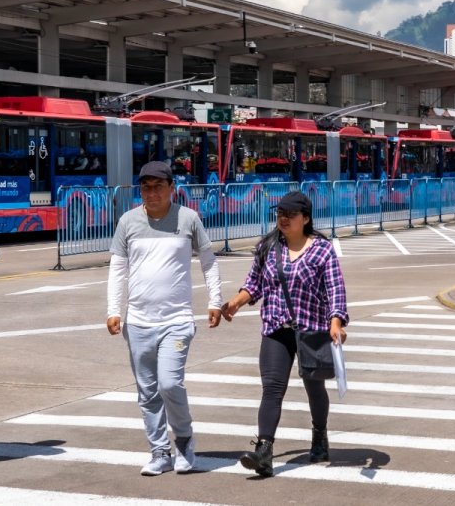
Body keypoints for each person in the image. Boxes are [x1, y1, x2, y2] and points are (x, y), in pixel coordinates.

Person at [106, 160, 223, 476]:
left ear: (172, 188)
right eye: (146, 187)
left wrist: (215, 300)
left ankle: (184, 441)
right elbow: (118, 269)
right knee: (148, 392)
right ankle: (159, 451)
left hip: (177, 321)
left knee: (169, 383)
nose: (152, 193)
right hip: (138, 322)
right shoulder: (128, 221)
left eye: (159, 186)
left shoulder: (188, 219)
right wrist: (114, 310)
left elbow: (209, 261)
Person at [221, 191, 349, 478]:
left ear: (306, 218)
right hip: (276, 329)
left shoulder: (322, 250)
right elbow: (253, 284)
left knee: (314, 387)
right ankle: (264, 451)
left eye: (290, 214)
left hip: (312, 330)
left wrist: (336, 322)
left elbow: (335, 290)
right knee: (272, 389)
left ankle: (319, 436)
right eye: (280, 213)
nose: (283, 219)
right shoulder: (268, 247)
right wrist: (236, 303)